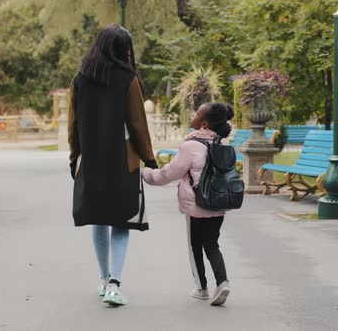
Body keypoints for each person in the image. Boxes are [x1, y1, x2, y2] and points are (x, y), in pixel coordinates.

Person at [68, 23, 157, 306]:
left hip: (91, 161)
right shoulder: (128, 79)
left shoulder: (80, 79)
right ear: (123, 49)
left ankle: (104, 277)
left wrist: (74, 158)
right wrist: (150, 159)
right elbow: (138, 123)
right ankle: (115, 284)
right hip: (122, 161)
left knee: (99, 217)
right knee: (121, 220)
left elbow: (73, 124)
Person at [141, 102, 233, 306]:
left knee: (194, 246)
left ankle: (201, 288)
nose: (193, 115)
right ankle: (222, 281)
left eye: (197, 114)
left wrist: (146, 174)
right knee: (212, 244)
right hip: (218, 203)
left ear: (204, 124)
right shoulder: (221, 145)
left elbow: (168, 174)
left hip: (197, 205)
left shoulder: (191, 146)